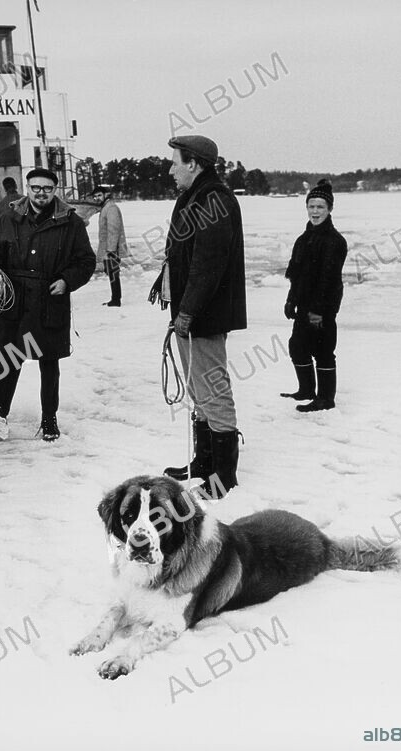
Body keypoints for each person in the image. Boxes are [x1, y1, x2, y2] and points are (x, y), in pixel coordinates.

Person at [151, 135, 246, 498]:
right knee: (197, 386)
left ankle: (223, 476)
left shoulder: (214, 200)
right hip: (190, 311)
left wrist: (188, 311)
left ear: (193, 164)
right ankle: (204, 462)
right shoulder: (194, 197)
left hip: (205, 313)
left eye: (175, 162)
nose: (170, 170)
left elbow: (208, 264)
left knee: (213, 387)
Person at [0, 167, 96, 443]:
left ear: (55, 190)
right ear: (27, 188)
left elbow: (86, 261)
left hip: (49, 300)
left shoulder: (71, 222)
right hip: (13, 301)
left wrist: (67, 281)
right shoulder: (9, 217)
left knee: (48, 363)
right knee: (7, 361)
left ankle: (49, 421)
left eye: (47, 188)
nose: (41, 193)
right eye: (36, 188)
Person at [282, 179, 347, 412]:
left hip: (323, 307)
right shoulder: (303, 239)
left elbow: (328, 279)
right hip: (303, 304)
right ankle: (307, 389)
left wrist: (318, 311)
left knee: (323, 350)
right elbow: (296, 274)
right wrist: (291, 300)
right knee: (297, 346)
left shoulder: (335, 241)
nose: (315, 211)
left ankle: (326, 399)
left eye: (320, 207)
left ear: (330, 209)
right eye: (311, 206)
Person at [93, 185, 128, 307]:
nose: (97, 198)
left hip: (111, 249)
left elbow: (114, 230)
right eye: (95, 196)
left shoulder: (111, 208)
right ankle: (115, 298)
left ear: (105, 195)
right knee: (111, 273)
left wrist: (111, 250)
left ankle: (116, 300)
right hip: (108, 248)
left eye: (99, 195)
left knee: (113, 274)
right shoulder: (105, 207)